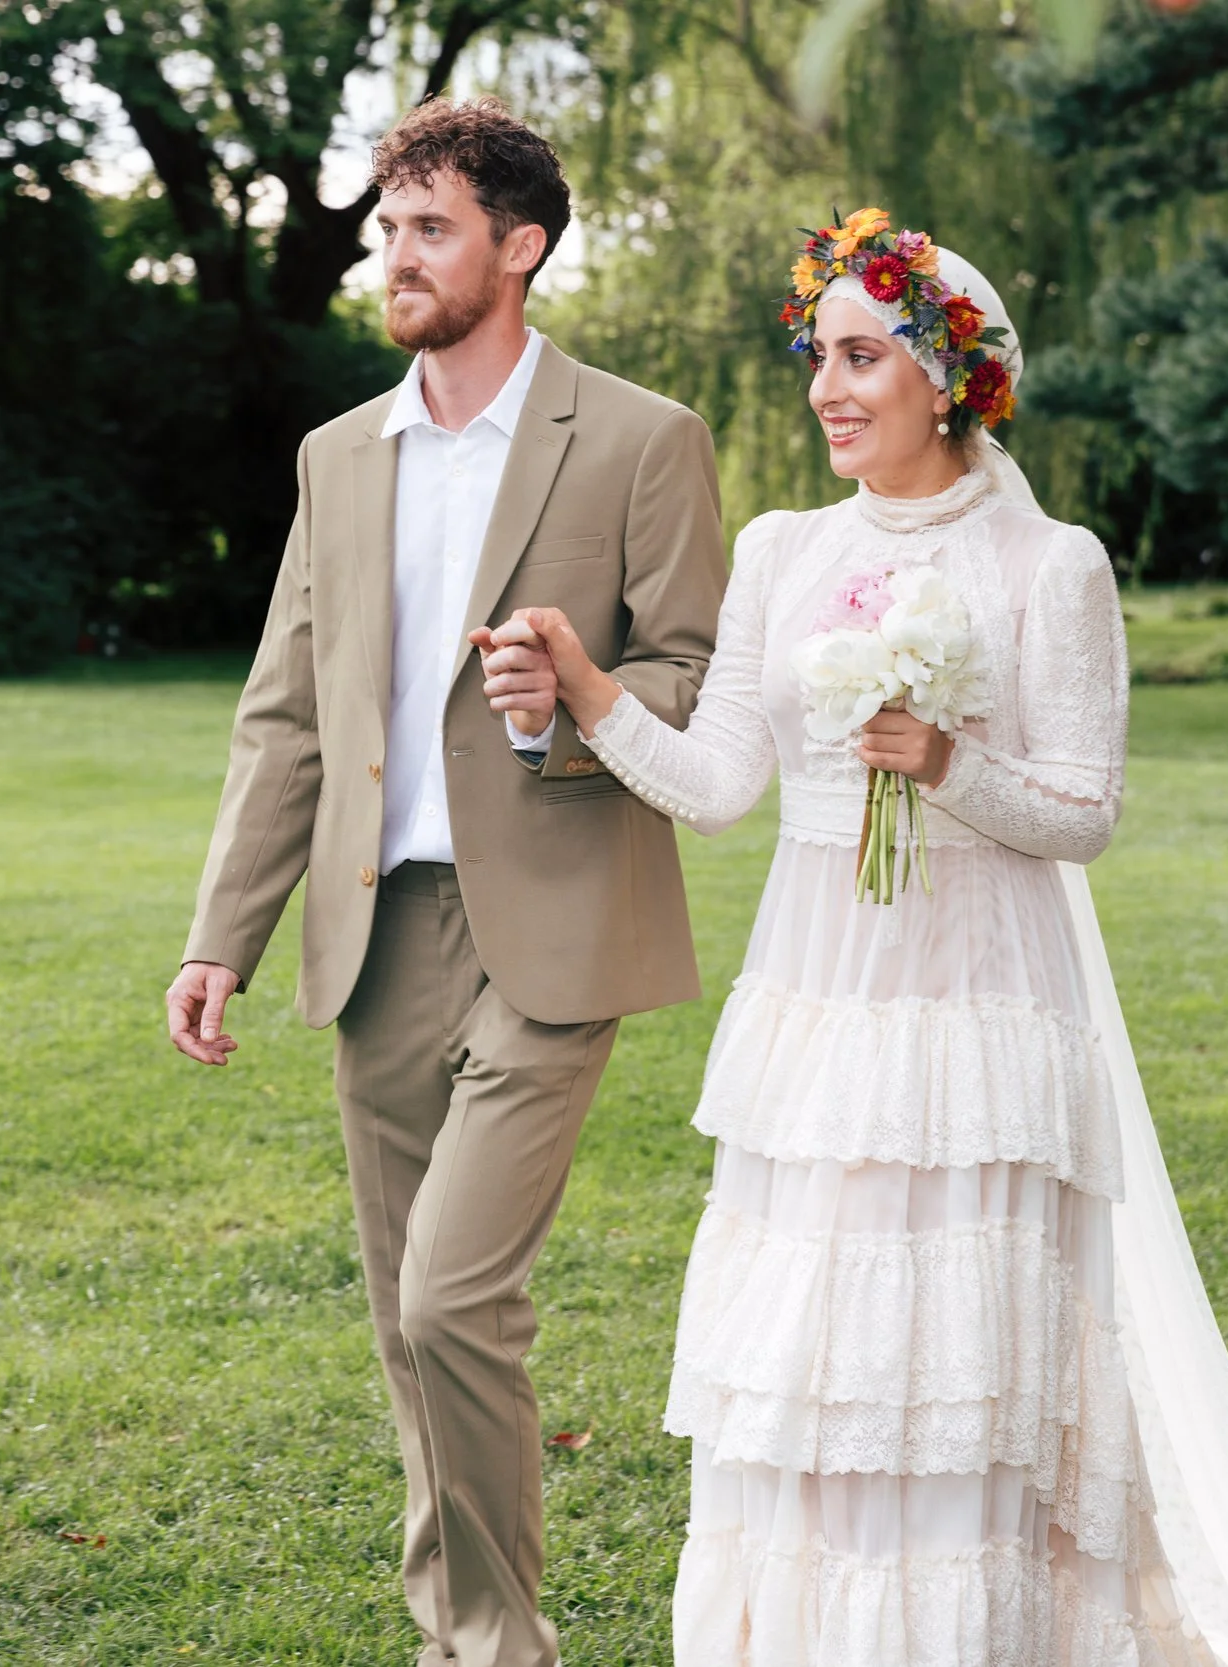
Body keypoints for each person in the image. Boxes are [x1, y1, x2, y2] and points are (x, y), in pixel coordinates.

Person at [483, 211, 1228, 1666]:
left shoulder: (1049, 564)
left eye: (864, 356)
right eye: (821, 356)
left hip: (982, 1008)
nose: (828, 388)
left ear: (948, 376)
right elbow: (721, 786)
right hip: (820, 1005)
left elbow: (1084, 814)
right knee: (812, 1342)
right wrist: (587, 688)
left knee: (959, 1353)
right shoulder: (778, 550)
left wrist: (944, 765)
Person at [164, 98, 727, 1667]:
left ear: (519, 246)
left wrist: (582, 706)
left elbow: (698, 672)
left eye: (428, 228)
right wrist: (225, 931)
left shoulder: (640, 438)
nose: (392, 257)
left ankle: (497, 1648)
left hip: (557, 918)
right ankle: (465, 1634)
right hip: (376, 930)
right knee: (409, 1332)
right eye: (385, 228)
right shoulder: (341, 456)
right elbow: (288, 708)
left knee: (451, 1303)